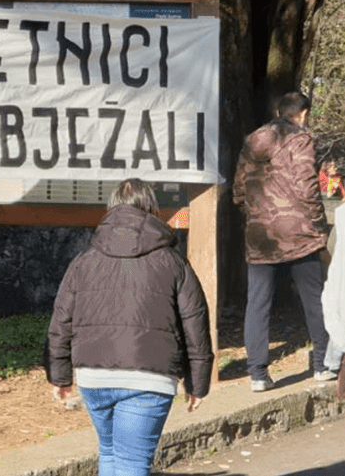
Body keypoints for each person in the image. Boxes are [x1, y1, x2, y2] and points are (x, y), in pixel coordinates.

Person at [46, 178, 213, 475]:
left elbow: (61, 320)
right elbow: (195, 322)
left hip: (93, 374)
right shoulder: (173, 262)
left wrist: (60, 375)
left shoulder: (84, 261)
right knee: (131, 462)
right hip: (150, 377)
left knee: (110, 453)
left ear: (111, 209)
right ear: (152, 208)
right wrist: (197, 381)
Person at [233, 91, 334, 390]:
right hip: (299, 232)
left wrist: (256, 215)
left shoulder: (252, 140)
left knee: (258, 303)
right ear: (303, 114)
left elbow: (238, 191)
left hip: (261, 235)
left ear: (279, 111)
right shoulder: (299, 138)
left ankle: (257, 374)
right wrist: (319, 225)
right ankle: (322, 364)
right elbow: (307, 187)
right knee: (313, 298)